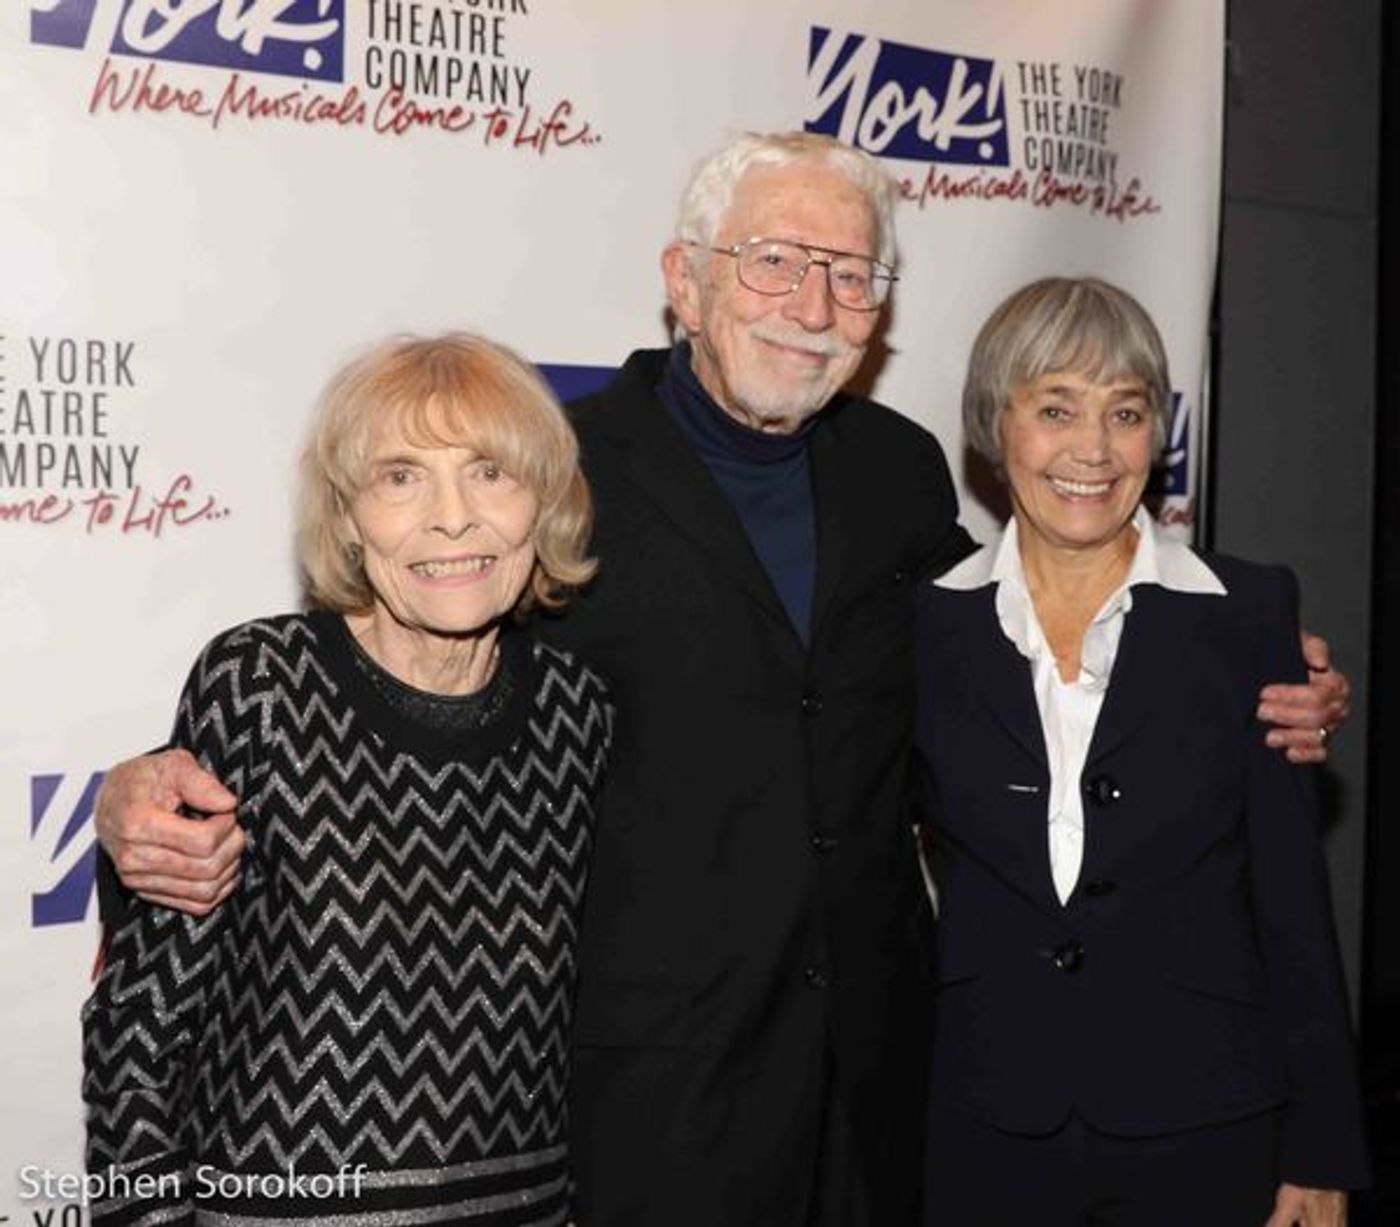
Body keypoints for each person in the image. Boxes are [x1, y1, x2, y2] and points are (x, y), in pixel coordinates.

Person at [92, 133, 1351, 1226]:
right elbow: (400, 677)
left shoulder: (899, 471)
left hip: (882, 1085)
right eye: (773, 260)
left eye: (849, 275)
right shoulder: (556, 473)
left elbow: (1009, 653)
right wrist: (139, 790)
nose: (811, 301)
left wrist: (1229, 665)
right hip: (646, 1103)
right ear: (683, 281)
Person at [82, 334, 613, 1226]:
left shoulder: (578, 711)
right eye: (401, 477)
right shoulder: (262, 684)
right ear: (350, 517)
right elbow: (137, 1033)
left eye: (490, 472)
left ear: (546, 503)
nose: (452, 518)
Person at [913, 277, 1368, 1227]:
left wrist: (1322, 1147)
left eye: (1124, 412)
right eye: (1055, 408)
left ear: (1157, 434)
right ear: (996, 425)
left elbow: (1293, 901)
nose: (1093, 448)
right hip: (985, 1128)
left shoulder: (1245, 615)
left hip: (1210, 1128)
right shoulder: (926, 624)